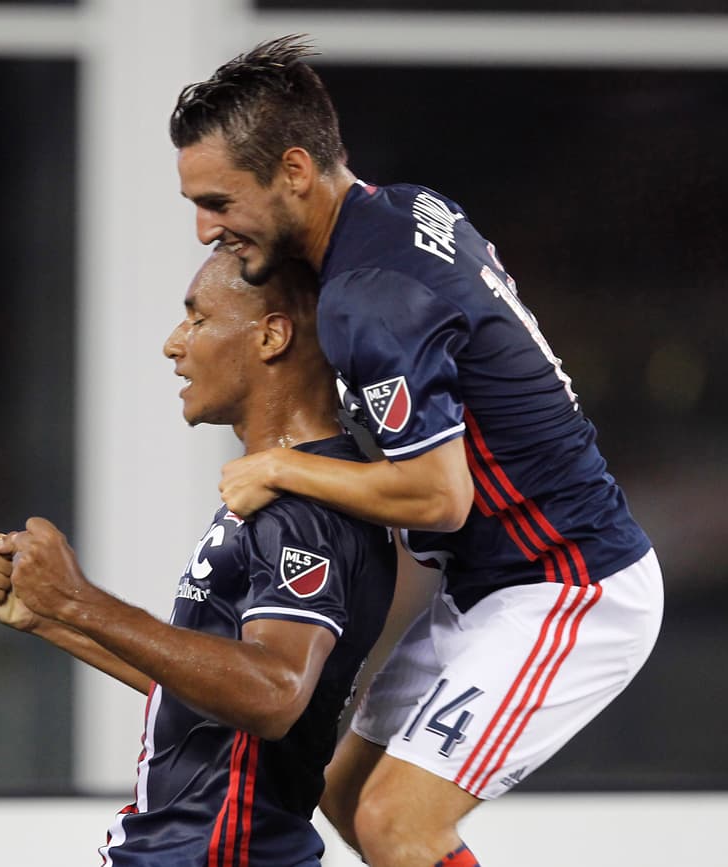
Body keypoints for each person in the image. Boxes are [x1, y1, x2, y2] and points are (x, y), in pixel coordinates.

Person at [168, 35, 664, 867]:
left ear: (294, 170)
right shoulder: (399, 210)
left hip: (571, 582)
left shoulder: (369, 298)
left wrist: (280, 465)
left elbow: (441, 497)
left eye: (219, 200)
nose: (204, 227)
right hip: (494, 581)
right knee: (344, 789)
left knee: (400, 821)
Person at [0, 249, 398, 866]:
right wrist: (52, 620)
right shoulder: (283, 486)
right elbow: (215, 697)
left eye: (198, 320)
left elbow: (273, 695)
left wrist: (79, 599)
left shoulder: (303, 506)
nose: (174, 344)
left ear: (272, 335)